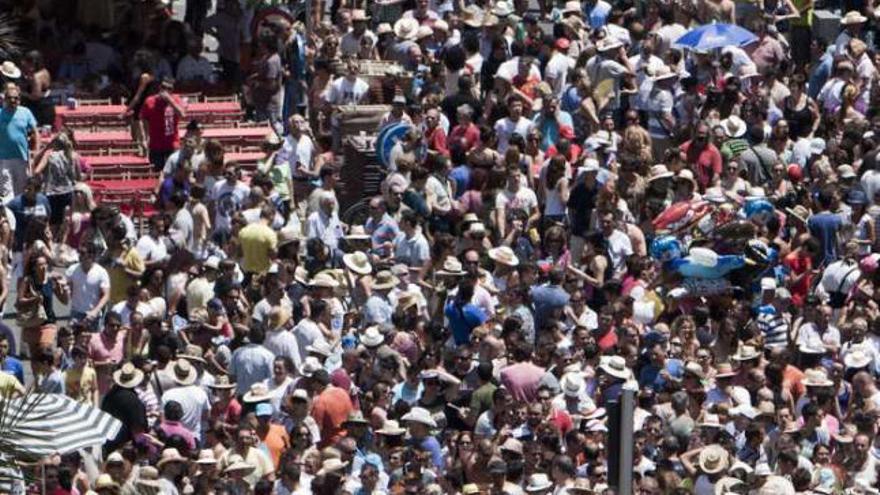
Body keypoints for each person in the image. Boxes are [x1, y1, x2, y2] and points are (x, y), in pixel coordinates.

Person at [0, 83, 38, 203]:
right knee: (6, 194)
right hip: (4, 160)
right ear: (4, 99)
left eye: (15, 98)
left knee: (21, 192)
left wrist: (36, 151)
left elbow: (35, 132)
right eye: (9, 97)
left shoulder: (26, 112)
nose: (12, 100)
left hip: (22, 159)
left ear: (20, 100)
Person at [139, 77, 186, 171]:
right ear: (159, 87)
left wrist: (170, 100)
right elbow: (143, 120)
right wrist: (144, 138)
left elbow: (182, 114)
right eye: (163, 87)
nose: (165, 90)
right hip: (155, 145)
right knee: (157, 172)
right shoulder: (149, 101)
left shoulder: (176, 99)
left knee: (174, 172)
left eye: (169, 88)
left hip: (172, 144)